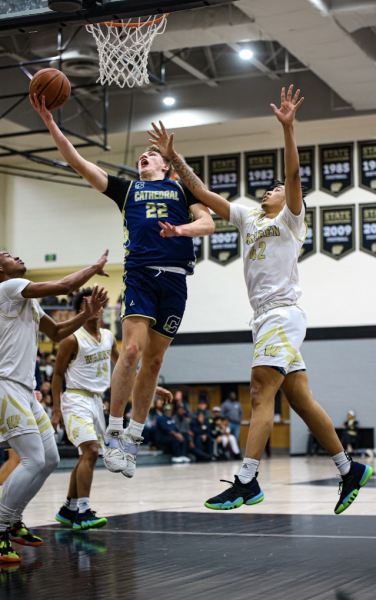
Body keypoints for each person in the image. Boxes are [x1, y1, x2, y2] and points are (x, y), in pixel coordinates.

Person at [149, 86, 373, 514]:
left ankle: (247, 481)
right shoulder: (248, 216)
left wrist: (288, 129)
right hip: (265, 318)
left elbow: (292, 177)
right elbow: (203, 195)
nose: (270, 191)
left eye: (275, 189)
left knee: (258, 391)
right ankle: (348, 469)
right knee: (301, 401)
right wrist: (174, 158)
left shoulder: (290, 219)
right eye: (268, 189)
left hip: (283, 314)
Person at [31, 93, 214, 479]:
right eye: (140, 157)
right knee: (130, 350)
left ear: (167, 164)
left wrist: (180, 229)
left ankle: (132, 438)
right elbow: (78, 162)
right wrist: (51, 124)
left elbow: (209, 223)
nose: (143, 158)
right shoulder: (126, 189)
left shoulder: (183, 190)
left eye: (151, 156)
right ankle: (114, 434)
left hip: (177, 279)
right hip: (141, 275)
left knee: (155, 361)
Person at [0, 249, 109, 563]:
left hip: (25, 389)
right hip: (7, 386)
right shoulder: (8, 289)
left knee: (49, 459)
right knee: (32, 460)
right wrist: (94, 267)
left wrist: (85, 317)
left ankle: (14, 520)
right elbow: (64, 287)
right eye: (8, 255)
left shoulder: (26, 299)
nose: (17, 256)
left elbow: (58, 332)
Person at [51, 288, 120, 531]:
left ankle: (68, 508)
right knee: (90, 451)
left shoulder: (109, 337)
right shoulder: (72, 338)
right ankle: (83, 511)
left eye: (99, 303)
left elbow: (123, 367)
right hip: (75, 399)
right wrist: (56, 410)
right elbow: (57, 375)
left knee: (86, 456)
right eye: (89, 303)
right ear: (80, 309)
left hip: (96, 401)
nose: (96, 307)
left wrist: (155, 389)